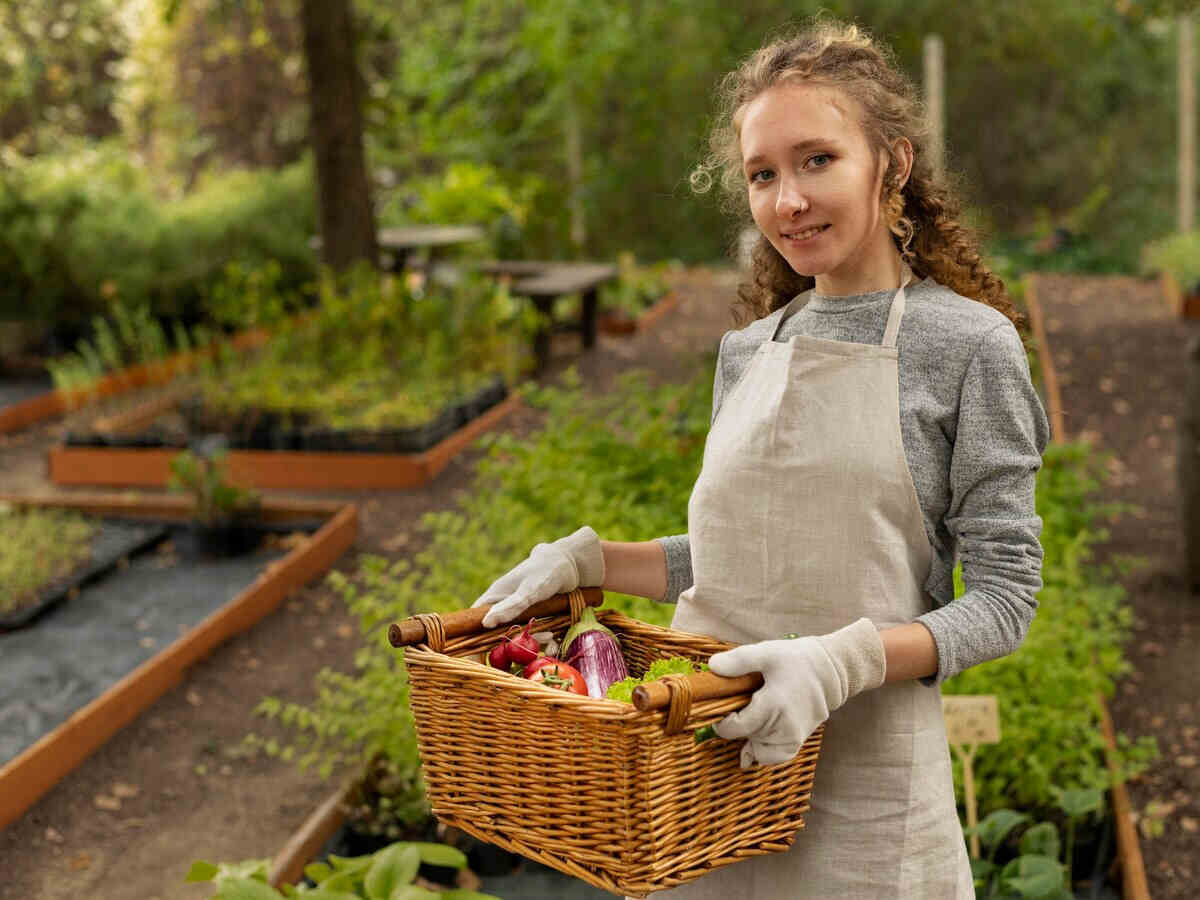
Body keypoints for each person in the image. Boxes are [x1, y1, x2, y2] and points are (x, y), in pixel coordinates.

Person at [473, 20, 1049, 900]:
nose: (788, 201)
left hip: (867, 785)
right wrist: (591, 562)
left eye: (817, 160)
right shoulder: (749, 349)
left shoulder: (968, 346)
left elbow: (1006, 598)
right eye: (763, 173)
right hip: (704, 777)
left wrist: (837, 662)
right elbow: (742, 554)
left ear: (891, 165)